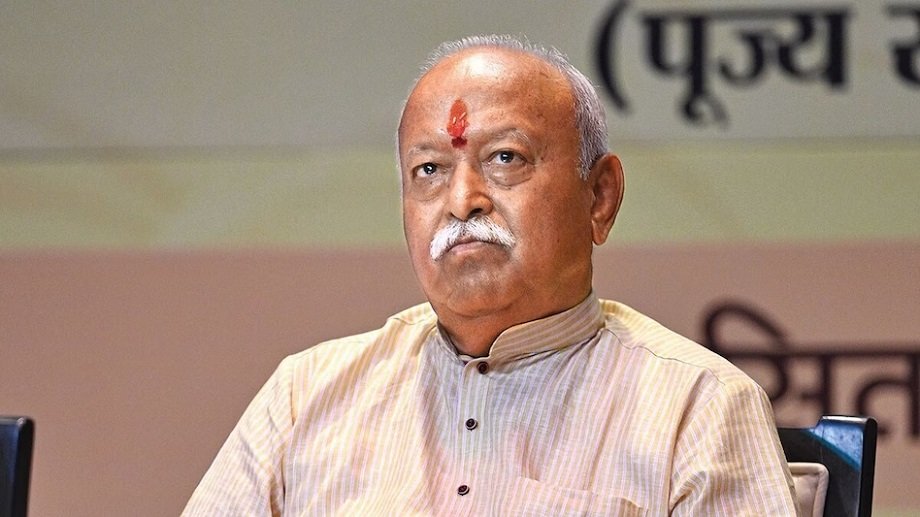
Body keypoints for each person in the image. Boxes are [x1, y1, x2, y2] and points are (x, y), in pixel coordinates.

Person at [184, 35, 796, 515]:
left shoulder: (699, 408)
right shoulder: (306, 395)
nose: (462, 201)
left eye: (505, 158)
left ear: (599, 197)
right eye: (429, 170)